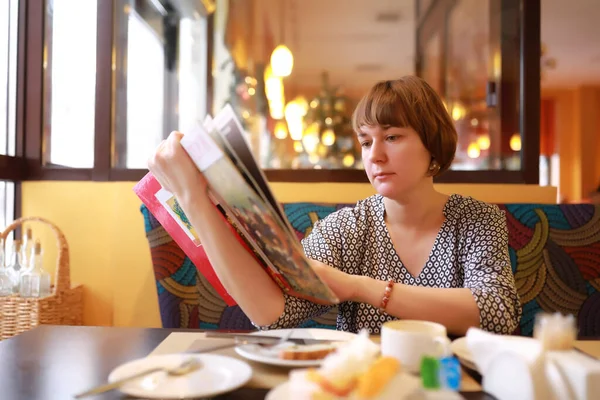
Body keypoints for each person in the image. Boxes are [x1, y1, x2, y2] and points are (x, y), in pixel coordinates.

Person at [148, 76, 522, 336]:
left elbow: (497, 312)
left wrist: (359, 287)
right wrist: (194, 199)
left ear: (432, 145)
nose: (375, 155)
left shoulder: (477, 220)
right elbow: (273, 314)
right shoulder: (345, 228)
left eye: (392, 137)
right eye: (365, 141)